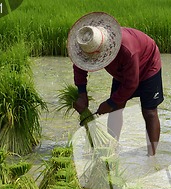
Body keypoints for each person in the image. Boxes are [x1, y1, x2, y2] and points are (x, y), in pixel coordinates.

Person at [67, 12, 163, 156]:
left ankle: (152, 155)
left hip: (148, 65)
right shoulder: (86, 46)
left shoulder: (127, 50)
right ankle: (112, 149)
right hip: (121, 71)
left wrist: (110, 102)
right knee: (116, 110)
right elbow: (79, 67)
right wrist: (82, 94)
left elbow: (131, 83)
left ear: (104, 50)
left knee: (149, 111)